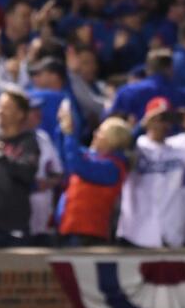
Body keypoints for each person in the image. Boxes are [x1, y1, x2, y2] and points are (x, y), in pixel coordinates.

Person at [117, 96, 185, 248]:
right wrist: (141, 126)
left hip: (168, 229)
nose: (163, 124)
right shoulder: (137, 146)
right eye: (158, 118)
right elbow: (121, 152)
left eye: (167, 119)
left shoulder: (178, 149)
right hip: (136, 231)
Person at [56, 103, 132, 246]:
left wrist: (69, 133)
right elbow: (66, 154)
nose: (95, 134)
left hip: (89, 236)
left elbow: (77, 165)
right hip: (67, 229)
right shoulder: (90, 156)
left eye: (101, 132)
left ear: (113, 140)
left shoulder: (113, 168)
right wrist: (63, 125)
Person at [0, 90, 40, 248]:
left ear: (20, 114)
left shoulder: (28, 142)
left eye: (6, 107)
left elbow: (27, 173)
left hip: (14, 228)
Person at [26, 97, 64, 246]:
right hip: (17, 218)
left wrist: (48, 183)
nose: (38, 114)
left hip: (42, 216)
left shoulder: (43, 137)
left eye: (38, 110)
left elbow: (58, 172)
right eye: (32, 111)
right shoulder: (5, 138)